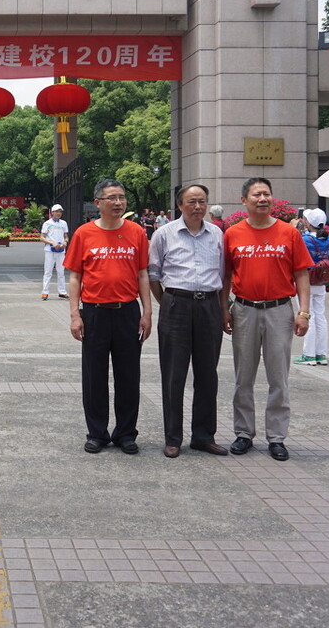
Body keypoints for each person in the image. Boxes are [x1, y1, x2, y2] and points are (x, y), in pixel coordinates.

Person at [222, 177, 312, 462]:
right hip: (244, 310)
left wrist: (303, 312)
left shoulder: (289, 233)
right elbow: (224, 276)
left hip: (279, 311)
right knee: (243, 376)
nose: (263, 198)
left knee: (278, 377)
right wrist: (224, 308)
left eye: (267, 194)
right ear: (243, 201)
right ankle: (244, 433)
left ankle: (276, 437)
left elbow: (301, 274)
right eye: (256, 194)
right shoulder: (232, 234)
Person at [65, 179, 152, 455]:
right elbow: (75, 276)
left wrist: (147, 311)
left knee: (129, 376)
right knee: (94, 376)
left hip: (127, 312)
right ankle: (97, 433)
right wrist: (74, 315)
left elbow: (142, 274)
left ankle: (126, 433)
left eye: (122, 197)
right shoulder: (84, 234)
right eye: (112, 198)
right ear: (98, 202)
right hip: (94, 313)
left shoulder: (137, 232)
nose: (118, 202)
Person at [148, 184, 228, 458]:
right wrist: (168, 302)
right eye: (192, 201)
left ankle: (203, 436)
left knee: (208, 374)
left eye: (202, 201)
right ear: (180, 205)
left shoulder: (217, 234)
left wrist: (221, 309)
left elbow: (222, 273)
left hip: (209, 305)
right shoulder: (164, 234)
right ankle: (173, 437)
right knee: (173, 374)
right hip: (175, 304)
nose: (197, 207)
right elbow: (154, 274)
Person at [294, 208, 329, 366]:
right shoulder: (328, 239)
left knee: (306, 315)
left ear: (308, 222)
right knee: (320, 317)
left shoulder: (304, 239)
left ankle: (309, 355)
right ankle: (321, 354)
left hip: (306, 281)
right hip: (321, 281)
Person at [41, 204, 69, 300]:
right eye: (57, 211)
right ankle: (45, 292)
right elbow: (42, 237)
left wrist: (65, 242)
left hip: (61, 250)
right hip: (50, 250)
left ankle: (62, 292)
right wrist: (51, 243)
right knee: (48, 271)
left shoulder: (64, 223)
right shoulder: (47, 223)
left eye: (60, 212)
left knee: (61, 271)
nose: (58, 213)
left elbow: (66, 236)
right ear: (52, 212)